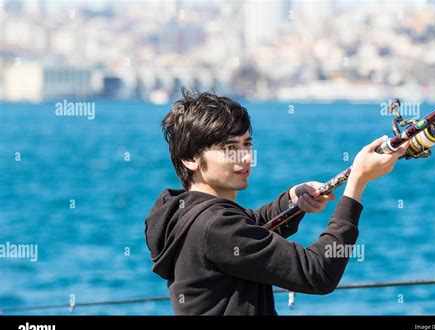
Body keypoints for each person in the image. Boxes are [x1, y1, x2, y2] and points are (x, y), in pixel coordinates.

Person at [144, 88, 409, 315]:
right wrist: (357, 184)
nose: (244, 157)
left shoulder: (188, 215)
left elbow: (248, 229)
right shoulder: (215, 226)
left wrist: (292, 201)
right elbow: (318, 272)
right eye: (229, 148)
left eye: (247, 144)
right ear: (190, 158)